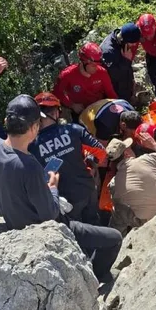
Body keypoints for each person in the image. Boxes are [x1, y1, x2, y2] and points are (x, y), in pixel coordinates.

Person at [0, 95, 122, 283]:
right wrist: (52, 187)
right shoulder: (28, 165)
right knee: (114, 238)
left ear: (6, 121)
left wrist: (1, 182)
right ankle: (96, 280)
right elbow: (50, 214)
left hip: (16, 226)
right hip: (50, 228)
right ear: (33, 127)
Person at [29, 92, 106, 225]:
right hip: (86, 188)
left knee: (75, 231)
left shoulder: (32, 145)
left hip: (64, 199)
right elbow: (101, 152)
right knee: (94, 224)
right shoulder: (74, 130)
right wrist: (90, 163)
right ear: (56, 113)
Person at [107, 135, 156, 234]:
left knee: (118, 211)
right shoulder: (146, 159)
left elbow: (120, 210)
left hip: (150, 224)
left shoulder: (113, 184)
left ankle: (117, 239)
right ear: (126, 154)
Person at [53, 42, 117, 123]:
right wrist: (72, 105)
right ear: (84, 62)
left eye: (97, 65)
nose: (96, 68)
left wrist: (117, 106)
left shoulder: (102, 73)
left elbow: (110, 92)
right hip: (79, 113)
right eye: (93, 66)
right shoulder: (67, 75)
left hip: (98, 109)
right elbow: (57, 93)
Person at [101, 23, 141, 103]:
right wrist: (126, 61)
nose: (134, 45)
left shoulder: (122, 38)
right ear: (124, 40)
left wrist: (131, 80)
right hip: (116, 92)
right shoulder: (108, 51)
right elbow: (113, 76)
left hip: (125, 85)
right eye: (132, 43)